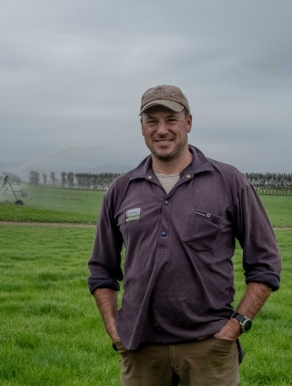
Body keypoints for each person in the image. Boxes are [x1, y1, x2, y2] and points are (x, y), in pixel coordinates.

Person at [87, 85, 281, 386]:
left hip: (209, 347)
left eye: (171, 119)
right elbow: (101, 269)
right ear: (141, 127)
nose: (161, 129)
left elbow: (266, 263)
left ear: (188, 122)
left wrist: (236, 325)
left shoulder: (229, 182)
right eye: (152, 121)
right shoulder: (122, 189)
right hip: (140, 350)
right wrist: (114, 329)